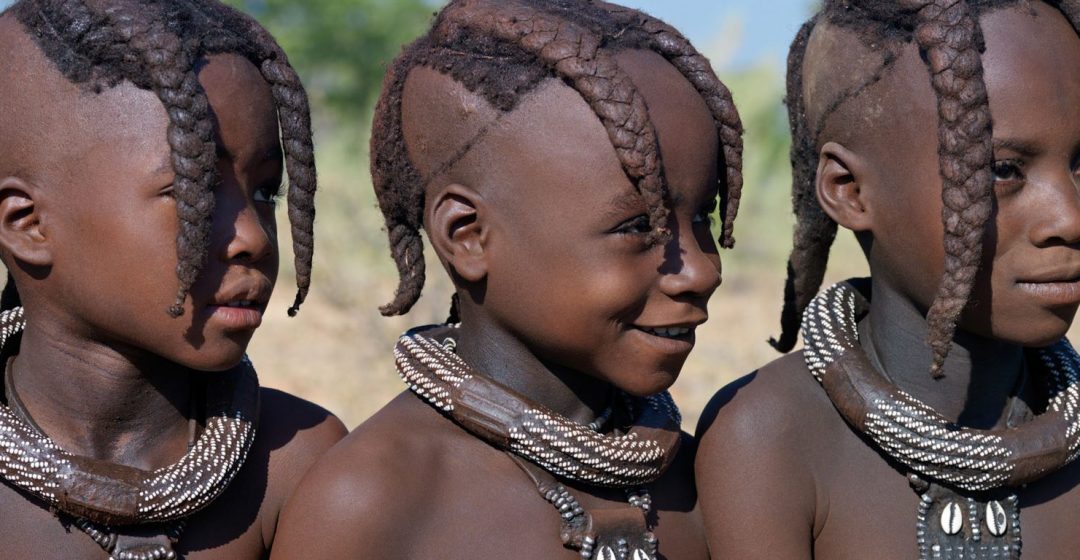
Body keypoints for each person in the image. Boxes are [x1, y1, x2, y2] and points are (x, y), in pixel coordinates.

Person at [270, 0, 744, 558]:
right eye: (639, 226)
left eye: (703, 219)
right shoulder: (373, 503)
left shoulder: (711, 482)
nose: (701, 270)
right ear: (467, 235)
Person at [696, 1, 1080, 558]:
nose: (1069, 218)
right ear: (850, 191)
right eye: (1002, 170)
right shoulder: (770, 437)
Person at [0, 1, 345, 558]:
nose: (253, 237)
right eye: (195, 193)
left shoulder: (298, 461)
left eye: (265, 192)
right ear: (29, 226)